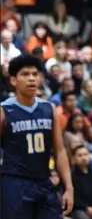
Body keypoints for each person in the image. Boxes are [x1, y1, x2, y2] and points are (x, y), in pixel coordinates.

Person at [0, 54, 74, 219]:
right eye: (25, 75)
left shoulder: (50, 109)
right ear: (13, 80)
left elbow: (60, 151)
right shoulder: (4, 110)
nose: (31, 79)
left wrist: (69, 187)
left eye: (35, 74)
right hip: (14, 182)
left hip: (43, 181)